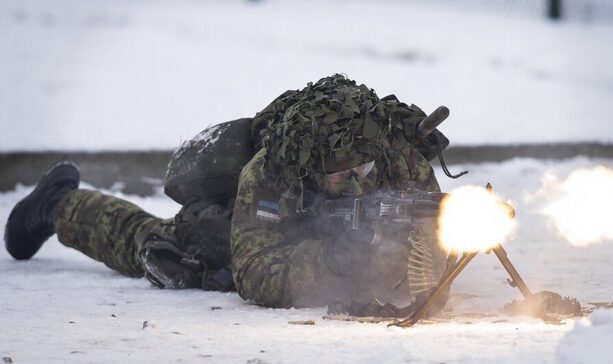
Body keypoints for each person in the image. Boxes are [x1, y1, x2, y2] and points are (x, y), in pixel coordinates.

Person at [4, 74, 451, 313]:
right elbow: (254, 275)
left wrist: (411, 261)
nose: (357, 180)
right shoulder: (271, 171)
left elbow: (432, 245)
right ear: (308, 165)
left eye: (365, 167)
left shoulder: (399, 160)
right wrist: (334, 261)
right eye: (339, 174)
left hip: (311, 251)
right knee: (171, 252)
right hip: (245, 230)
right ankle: (56, 202)